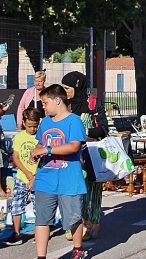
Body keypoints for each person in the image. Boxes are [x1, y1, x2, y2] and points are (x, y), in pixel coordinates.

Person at [30, 84, 87, 259]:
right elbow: (41, 143)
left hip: (69, 178)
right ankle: (41, 256)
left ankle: (77, 249)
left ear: (57, 100)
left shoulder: (74, 121)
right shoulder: (45, 122)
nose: (43, 107)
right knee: (42, 219)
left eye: (45, 103)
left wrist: (46, 150)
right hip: (45, 178)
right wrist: (36, 151)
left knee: (73, 218)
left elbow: (73, 146)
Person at [62, 71, 109, 241]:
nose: (65, 91)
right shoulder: (63, 105)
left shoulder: (93, 104)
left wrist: (85, 132)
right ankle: (74, 225)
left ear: (77, 86)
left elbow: (104, 128)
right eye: (63, 88)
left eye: (68, 88)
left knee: (92, 192)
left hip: (91, 156)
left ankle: (91, 224)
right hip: (69, 156)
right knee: (72, 192)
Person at [5, 107, 42, 246]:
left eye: (35, 126)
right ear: (24, 123)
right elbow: (16, 158)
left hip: (37, 177)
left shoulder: (41, 137)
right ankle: (16, 232)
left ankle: (40, 233)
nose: (33, 129)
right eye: (30, 126)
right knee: (16, 204)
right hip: (22, 176)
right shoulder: (19, 137)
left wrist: (34, 176)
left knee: (39, 207)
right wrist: (27, 173)